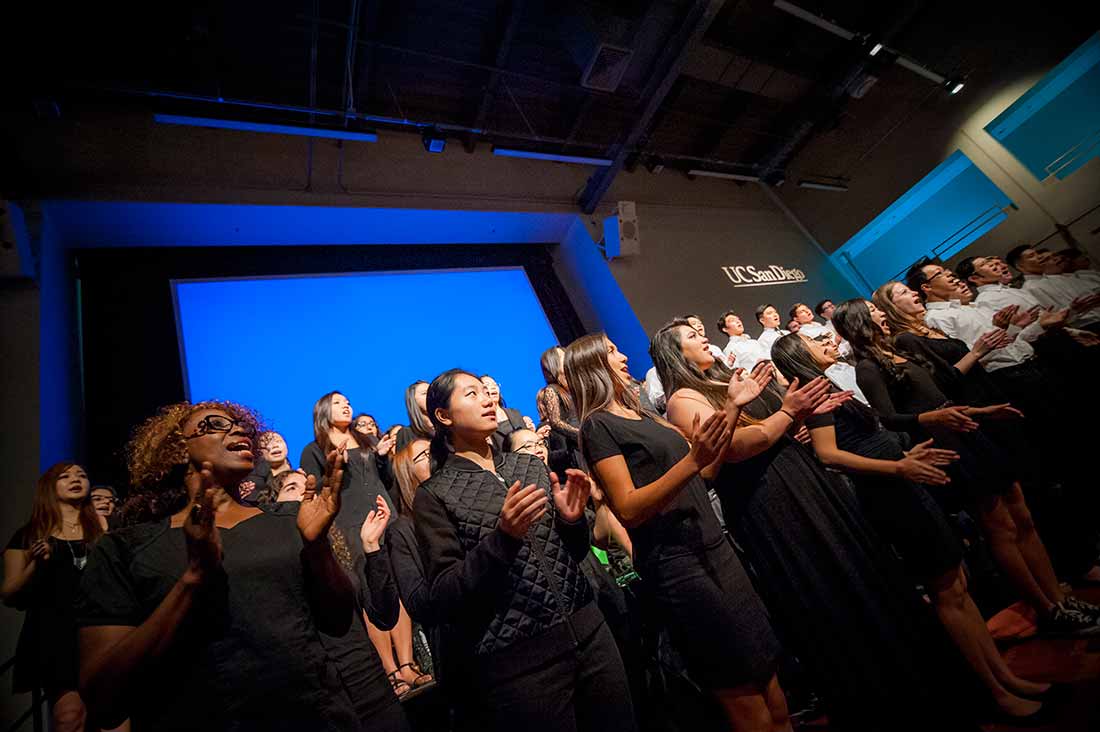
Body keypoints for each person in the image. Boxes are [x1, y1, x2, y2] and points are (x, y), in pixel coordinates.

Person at [649, 318, 981, 732]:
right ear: (674, 354)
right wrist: (788, 414)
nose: (703, 339)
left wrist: (800, 417)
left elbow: (771, 430)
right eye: (692, 337)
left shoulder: (725, 381)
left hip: (802, 483)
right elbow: (733, 448)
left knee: (863, 577)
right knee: (834, 594)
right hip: (771, 502)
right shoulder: (683, 397)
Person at [770, 333, 1053, 721]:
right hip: (887, 497)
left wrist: (903, 455)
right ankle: (992, 694)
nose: (824, 340)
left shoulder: (831, 384)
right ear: (798, 354)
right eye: (812, 340)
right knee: (947, 593)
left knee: (958, 586)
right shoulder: (814, 394)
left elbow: (864, 438)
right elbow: (829, 454)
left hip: (902, 484)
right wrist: (897, 466)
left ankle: (1004, 678)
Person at [75, 401, 376, 730]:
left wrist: (317, 547)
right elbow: (103, 697)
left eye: (241, 426)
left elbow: (337, 620)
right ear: (177, 448)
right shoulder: (126, 549)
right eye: (216, 424)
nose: (237, 430)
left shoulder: (288, 521)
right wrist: (193, 578)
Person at [832, 300, 1100, 635]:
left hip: (967, 430)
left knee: (1023, 518)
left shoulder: (900, 350)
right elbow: (887, 418)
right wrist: (930, 418)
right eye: (873, 311)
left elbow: (942, 397)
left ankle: (1059, 596)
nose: (882, 314)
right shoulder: (868, 367)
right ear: (860, 322)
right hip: (948, 444)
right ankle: (1046, 609)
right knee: (1001, 527)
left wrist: (981, 412)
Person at [566, 332, 791, 732]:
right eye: (612, 351)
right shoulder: (598, 426)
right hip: (681, 568)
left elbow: (703, 472)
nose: (621, 355)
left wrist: (735, 409)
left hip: (715, 552)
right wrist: (691, 460)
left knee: (772, 689)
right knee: (746, 700)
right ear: (593, 365)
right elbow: (630, 508)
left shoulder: (644, 415)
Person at [413, 369, 635, 732]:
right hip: (523, 667)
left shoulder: (528, 464)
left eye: (486, 391)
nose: (486, 398)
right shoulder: (435, 494)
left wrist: (571, 521)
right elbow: (443, 594)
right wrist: (503, 538)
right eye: (471, 394)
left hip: (591, 634)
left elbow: (573, 552)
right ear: (444, 416)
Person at [299, 391, 425, 699]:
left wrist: (381, 457)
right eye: (338, 402)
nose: (346, 406)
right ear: (323, 410)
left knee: (396, 585)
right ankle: (390, 670)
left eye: (348, 402)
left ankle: (408, 664)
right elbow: (317, 493)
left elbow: (385, 478)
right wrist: (334, 468)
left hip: (385, 515)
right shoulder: (314, 449)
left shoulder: (364, 439)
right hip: (350, 524)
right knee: (371, 591)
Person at [3, 463, 103, 732]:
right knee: (69, 716)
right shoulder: (29, 535)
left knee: (107, 713)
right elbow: (9, 593)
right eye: (66, 476)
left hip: (100, 629)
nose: (76, 479)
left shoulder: (103, 531)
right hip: (55, 633)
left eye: (82, 475)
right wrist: (36, 563)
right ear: (50, 486)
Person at [1006, 245, 1100, 331]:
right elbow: (1049, 317)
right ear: (1020, 266)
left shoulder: (1056, 277)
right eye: (1031, 256)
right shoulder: (1030, 289)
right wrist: (1072, 310)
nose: (1039, 257)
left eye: (1037, 253)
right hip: (1084, 326)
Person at [536, 346, 583, 474]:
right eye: (563, 357)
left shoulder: (576, 385)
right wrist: (579, 434)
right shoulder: (552, 390)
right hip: (576, 440)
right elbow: (555, 422)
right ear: (553, 363)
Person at [480, 374, 535, 452]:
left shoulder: (515, 413)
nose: (493, 387)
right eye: (487, 385)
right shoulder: (483, 419)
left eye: (495, 384)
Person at [396, 381, 435, 451]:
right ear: (413, 400)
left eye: (432, 392)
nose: (431, 396)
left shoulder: (446, 428)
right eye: (425, 393)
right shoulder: (406, 433)